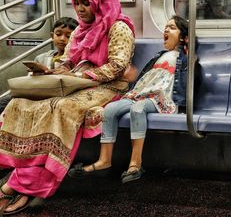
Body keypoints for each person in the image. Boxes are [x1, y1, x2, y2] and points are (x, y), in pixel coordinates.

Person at [0, 0, 135, 215]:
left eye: (86, 3)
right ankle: (20, 175)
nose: (81, 9)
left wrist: (84, 77)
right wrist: (53, 71)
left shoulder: (119, 27)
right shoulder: (81, 31)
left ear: (99, 1)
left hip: (109, 86)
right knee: (20, 103)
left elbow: (117, 66)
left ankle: (23, 186)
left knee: (60, 108)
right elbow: (67, 61)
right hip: (76, 82)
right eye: (77, 3)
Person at [68, 15, 189, 184]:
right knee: (110, 110)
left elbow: (190, 77)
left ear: (184, 37)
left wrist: (189, 51)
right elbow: (146, 79)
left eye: (173, 27)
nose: (166, 30)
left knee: (138, 109)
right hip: (141, 93)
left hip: (162, 97)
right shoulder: (159, 56)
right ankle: (104, 160)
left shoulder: (185, 59)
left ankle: (135, 163)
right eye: (166, 27)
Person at [0, 17, 79, 114]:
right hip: (37, 91)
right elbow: (30, 81)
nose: (62, 39)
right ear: (52, 36)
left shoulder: (75, 60)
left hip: (56, 95)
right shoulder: (41, 58)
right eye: (58, 34)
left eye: (68, 36)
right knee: (4, 101)